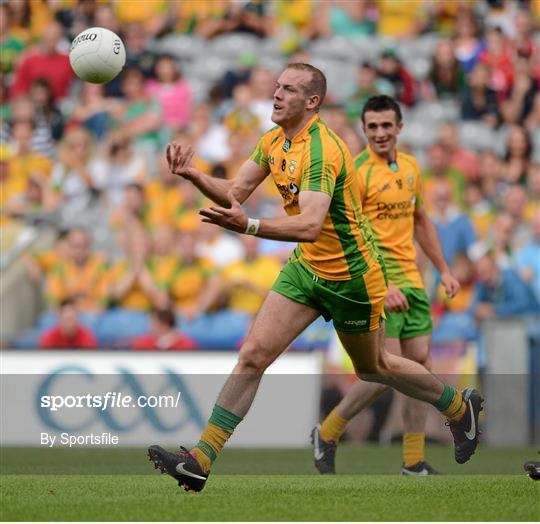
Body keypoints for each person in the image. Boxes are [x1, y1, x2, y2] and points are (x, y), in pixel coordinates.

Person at [148, 64, 483, 493]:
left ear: (312, 102)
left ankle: (458, 408)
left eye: (288, 90)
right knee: (253, 353)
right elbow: (235, 190)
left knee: (374, 366)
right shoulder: (273, 141)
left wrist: (248, 226)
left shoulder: (323, 150)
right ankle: (200, 459)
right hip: (307, 269)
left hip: (352, 277)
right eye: (275, 87)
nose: (275, 95)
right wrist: (193, 175)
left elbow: (308, 224)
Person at [312, 95, 461, 476]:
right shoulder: (358, 171)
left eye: (386, 125)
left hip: (413, 280)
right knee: (384, 371)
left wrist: (443, 269)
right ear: (364, 130)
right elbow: (354, 233)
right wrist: (383, 282)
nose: (379, 133)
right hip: (378, 283)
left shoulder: (411, 167)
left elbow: (421, 220)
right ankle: (329, 432)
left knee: (419, 365)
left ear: (399, 127)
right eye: (372, 126)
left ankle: (413, 460)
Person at [131, 308, 196, 351]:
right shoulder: (143, 342)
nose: (150, 326)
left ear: (164, 324)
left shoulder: (186, 345)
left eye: (153, 323)